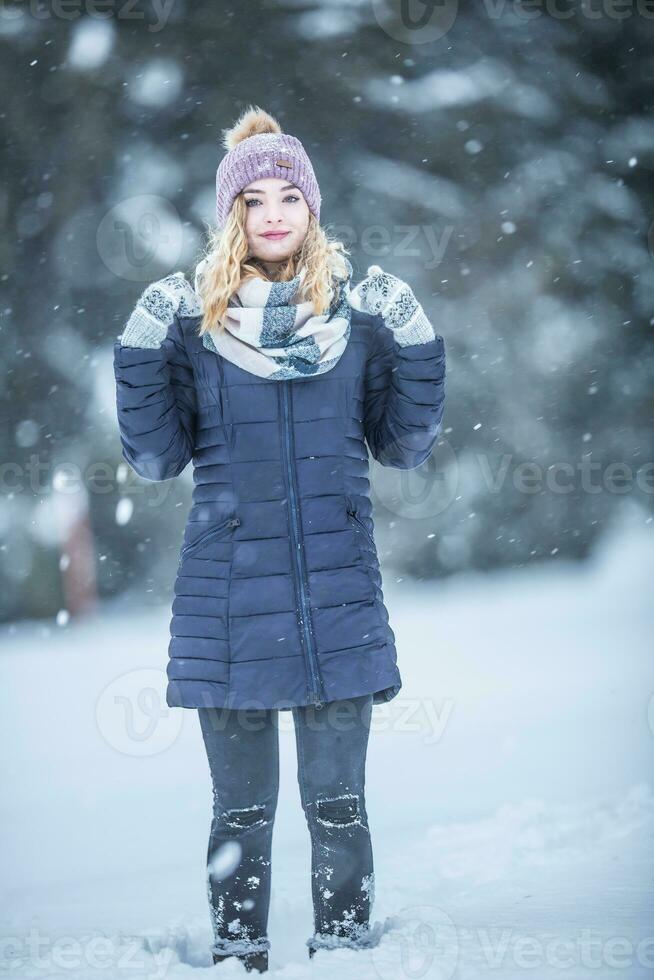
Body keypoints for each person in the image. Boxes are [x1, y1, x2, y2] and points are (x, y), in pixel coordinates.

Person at [113, 105, 446, 972]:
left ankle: (344, 954)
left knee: (339, 805)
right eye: (252, 198)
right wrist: (143, 348)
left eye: (288, 195)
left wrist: (414, 339)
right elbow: (153, 458)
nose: (271, 213)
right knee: (241, 814)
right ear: (231, 215)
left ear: (312, 210)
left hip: (337, 603)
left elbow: (405, 446)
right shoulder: (194, 332)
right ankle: (236, 956)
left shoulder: (359, 326)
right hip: (228, 610)